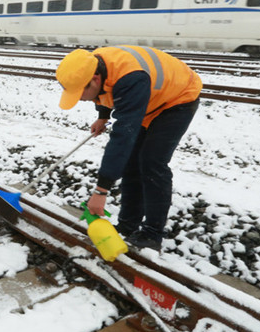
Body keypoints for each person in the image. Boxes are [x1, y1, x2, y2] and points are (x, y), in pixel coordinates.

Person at [55, 46, 202, 251]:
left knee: (152, 162)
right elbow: (106, 90)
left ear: (95, 79)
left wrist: (101, 190)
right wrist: (103, 115)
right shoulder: (93, 64)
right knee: (132, 163)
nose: (79, 98)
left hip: (177, 99)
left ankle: (152, 233)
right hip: (147, 99)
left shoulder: (131, 78)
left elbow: (123, 136)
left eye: (80, 92)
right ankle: (127, 225)